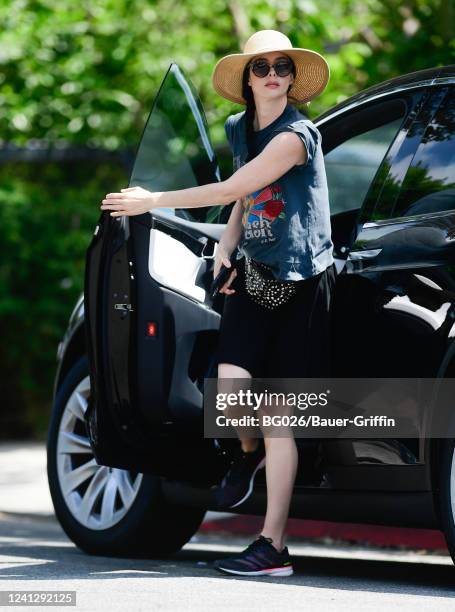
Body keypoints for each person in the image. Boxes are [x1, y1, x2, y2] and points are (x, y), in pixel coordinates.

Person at [100, 29, 337, 578]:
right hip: (254, 277)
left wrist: (152, 201)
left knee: (279, 415)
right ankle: (249, 455)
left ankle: (272, 547)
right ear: (248, 80)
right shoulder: (241, 128)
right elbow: (247, 200)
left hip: (301, 281)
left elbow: (234, 187)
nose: (273, 73)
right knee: (230, 395)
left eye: (282, 65)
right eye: (261, 67)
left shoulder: (297, 136)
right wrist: (227, 249)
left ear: (293, 77)